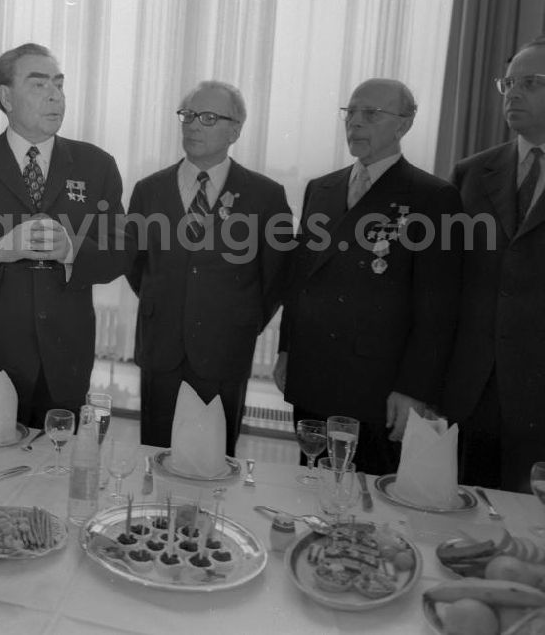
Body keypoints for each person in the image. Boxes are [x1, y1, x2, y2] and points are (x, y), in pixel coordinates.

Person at [0, 43, 129, 427]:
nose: (55, 96)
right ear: (6, 97)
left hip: (66, 358)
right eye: (38, 85)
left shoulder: (97, 165)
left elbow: (120, 248)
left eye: (59, 84)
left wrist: (72, 251)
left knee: (56, 473)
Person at [275, 78, 462, 476]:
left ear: (404, 124)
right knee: (311, 485)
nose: (355, 123)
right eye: (351, 112)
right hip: (313, 371)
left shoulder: (432, 197)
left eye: (371, 114)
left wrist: (414, 389)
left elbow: (438, 307)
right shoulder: (321, 189)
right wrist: (287, 350)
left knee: (368, 505)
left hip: (376, 384)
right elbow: (300, 280)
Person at [126, 81, 293, 455]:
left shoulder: (266, 196)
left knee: (213, 463)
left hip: (224, 349)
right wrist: (173, 302)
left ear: (235, 130)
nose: (193, 126)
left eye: (208, 117)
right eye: (187, 116)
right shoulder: (148, 190)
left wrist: (238, 318)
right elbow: (136, 266)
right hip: (161, 349)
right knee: (156, 455)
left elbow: (276, 277)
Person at [443, 35, 545, 492]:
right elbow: (445, 285)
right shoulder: (471, 172)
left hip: (539, 397)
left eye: (531, 83)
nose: (514, 94)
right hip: (472, 392)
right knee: (461, 534)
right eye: (508, 83)